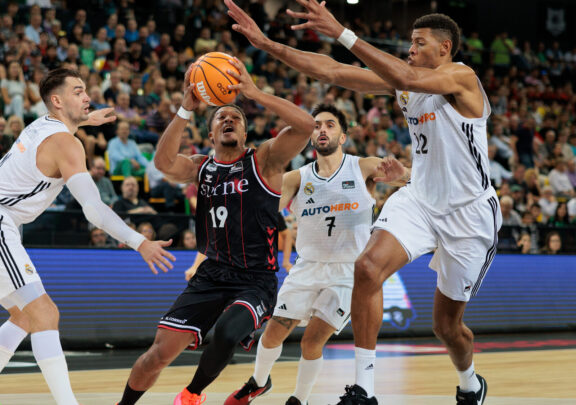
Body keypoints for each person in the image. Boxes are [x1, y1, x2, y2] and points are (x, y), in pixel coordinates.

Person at [227, 1, 500, 403]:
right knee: (367, 268)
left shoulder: (463, 77)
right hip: (420, 201)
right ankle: (364, 389)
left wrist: (342, 32)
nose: (410, 49)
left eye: (419, 43)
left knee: (446, 327)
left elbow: (404, 73)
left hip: (470, 215)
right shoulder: (404, 85)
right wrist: (268, 45)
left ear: (444, 48)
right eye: (410, 42)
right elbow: (333, 71)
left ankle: (470, 383)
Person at [0, 68, 175, 405]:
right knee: (46, 313)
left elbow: (62, 126)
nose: (87, 97)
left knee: (24, 316)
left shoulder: (42, 124)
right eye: (78, 91)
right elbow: (94, 210)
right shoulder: (66, 144)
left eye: (86, 91)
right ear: (57, 101)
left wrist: (86, 120)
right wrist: (138, 241)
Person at [118, 57, 315, 405]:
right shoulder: (200, 168)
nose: (228, 119)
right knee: (157, 354)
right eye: (221, 117)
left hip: (256, 277)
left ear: (243, 132)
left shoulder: (264, 159)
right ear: (210, 134)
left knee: (226, 332)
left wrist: (255, 93)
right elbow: (162, 163)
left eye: (235, 117)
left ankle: (192, 394)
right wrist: (184, 109)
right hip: (211, 274)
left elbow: (305, 125)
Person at [225, 104, 408, 405]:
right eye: (317, 125)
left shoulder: (362, 167)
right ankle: (258, 381)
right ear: (310, 136)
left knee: (312, 341)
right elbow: (261, 214)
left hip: (347, 273)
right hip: (307, 267)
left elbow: (413, 179)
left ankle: (300, 399)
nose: (322, 129)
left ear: (344, 136)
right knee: (272, 334)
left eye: (330, 125)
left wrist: (404, 174)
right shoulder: (296, 178)